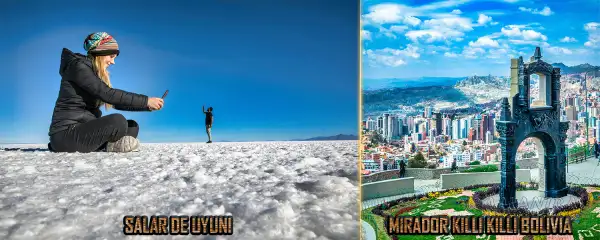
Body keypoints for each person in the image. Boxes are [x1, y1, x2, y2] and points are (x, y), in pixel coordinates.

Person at [48, 32, 165, 153]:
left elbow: (116, 103)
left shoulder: (92, 73)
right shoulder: (79, 67)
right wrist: (146, 100)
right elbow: (108, 94)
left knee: (131, 126)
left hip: (81, 130)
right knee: (117, 121)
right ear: (101, 53)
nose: (113, 62)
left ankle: (107, 145)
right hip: (66, 133)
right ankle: (108, 146)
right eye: (111, 56)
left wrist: (147, 106)